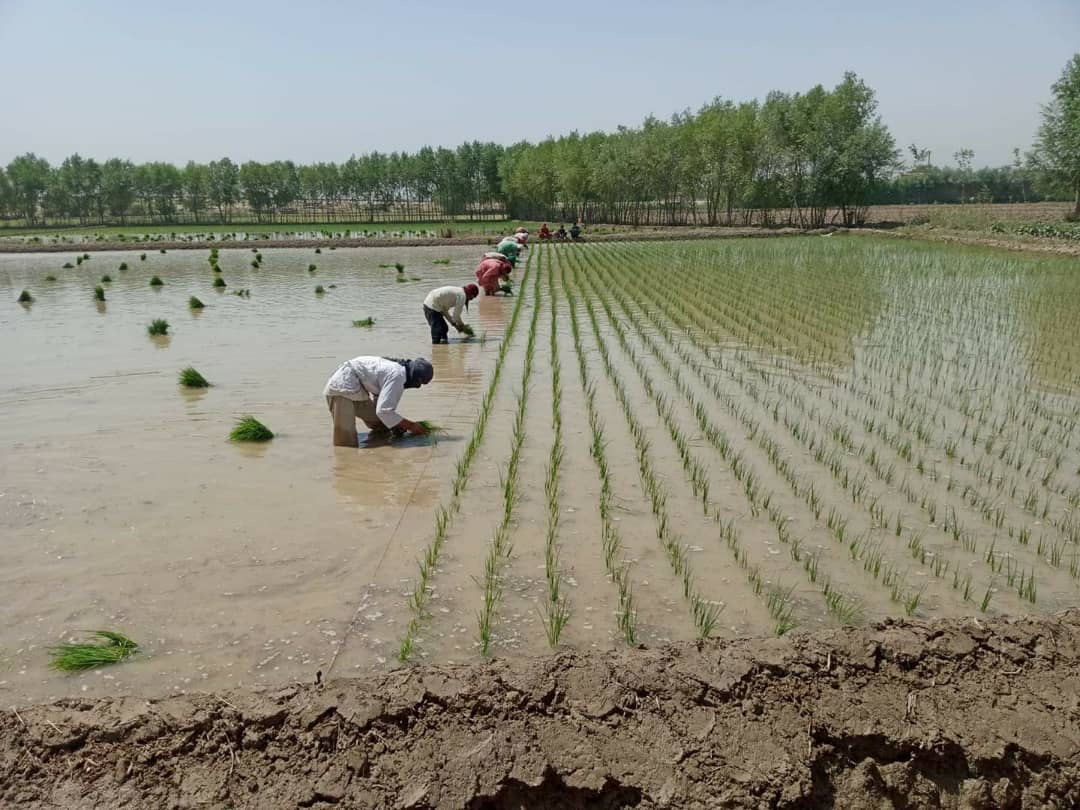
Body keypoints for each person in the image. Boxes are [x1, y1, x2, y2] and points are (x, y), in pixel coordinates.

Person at [324, 356, 433, 447]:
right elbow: (384, 411)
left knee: (381, 425)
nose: (418, 386)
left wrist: (396, 425)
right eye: (420, 383)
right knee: (346, 441)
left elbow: (380, 406)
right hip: (342, 387)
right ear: (416, 377)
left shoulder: (398, 371)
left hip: (357, 389)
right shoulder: (398, 376)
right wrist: (411, 426)